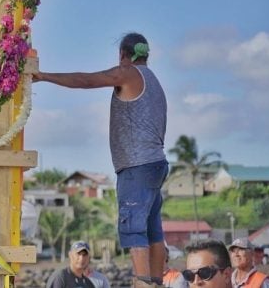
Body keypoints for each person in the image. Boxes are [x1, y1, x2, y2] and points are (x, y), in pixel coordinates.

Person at [33, 33, 168, 287]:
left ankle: (142, 282)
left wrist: (44, 76)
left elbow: (86, 80)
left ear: (123, 55)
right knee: (153, 230)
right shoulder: (155, 82)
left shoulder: (128, 73)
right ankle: (157, 281)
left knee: (134, 229)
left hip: (136, 167)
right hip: (156, 164)